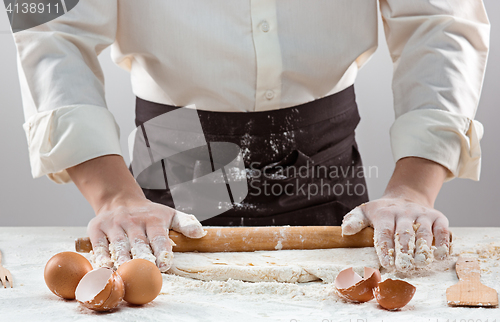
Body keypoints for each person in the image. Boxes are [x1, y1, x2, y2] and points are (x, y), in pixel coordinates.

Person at [11, 1, 490, 272]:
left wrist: (412, 187)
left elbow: (442, 19)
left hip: (328, 162)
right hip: (173, 167)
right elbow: (49, 30)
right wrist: (114, 195)